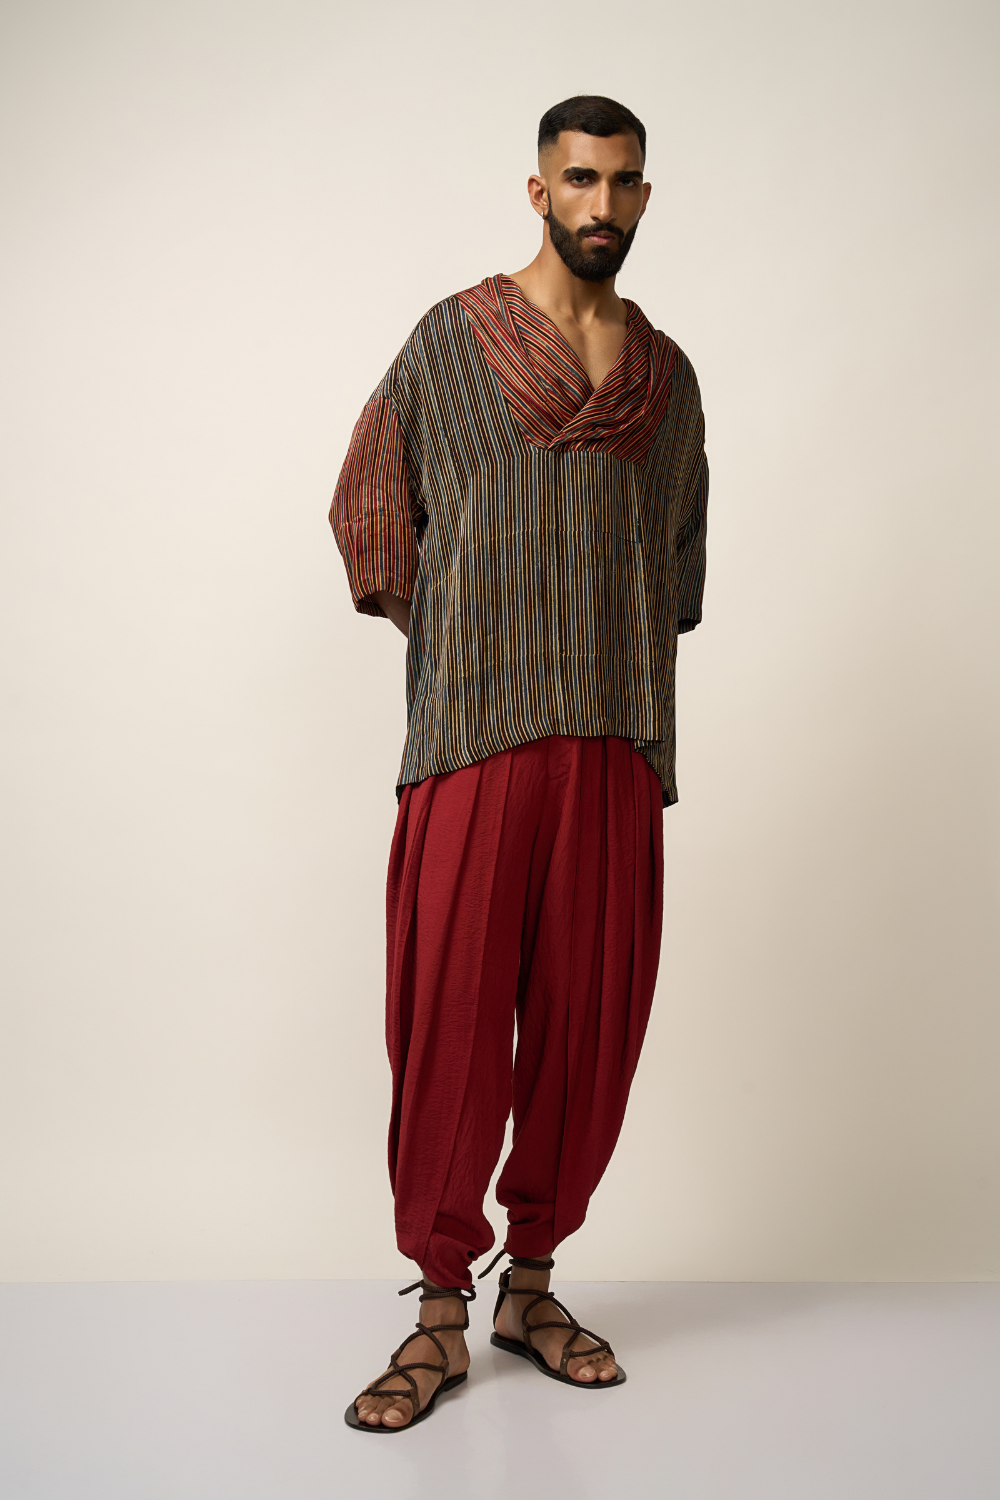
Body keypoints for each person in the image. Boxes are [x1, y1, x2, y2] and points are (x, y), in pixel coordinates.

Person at [330, 94, 708, 1432]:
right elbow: (373, 499)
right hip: (475, 734)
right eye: (579, 179)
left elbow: (672, 565)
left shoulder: (667, 380)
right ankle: (438, 1309)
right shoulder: (454, 340)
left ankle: (530, 1287)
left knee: (587, 1026)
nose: (602, 203)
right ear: (539, 191)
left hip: (611, 732)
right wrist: (462, 633)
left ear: (644, 197)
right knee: (448, 1020)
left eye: (623, 182)